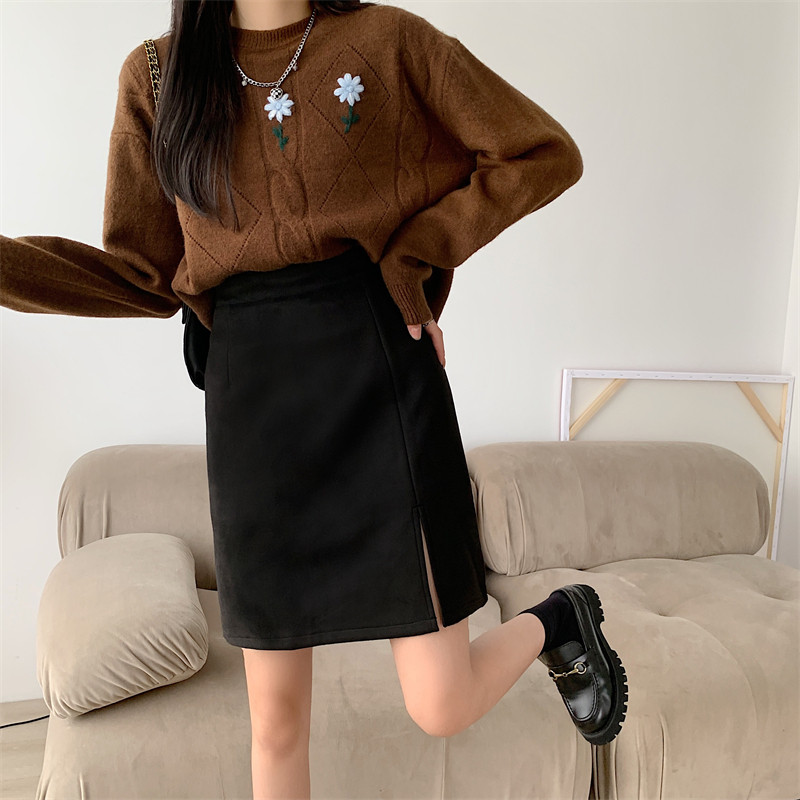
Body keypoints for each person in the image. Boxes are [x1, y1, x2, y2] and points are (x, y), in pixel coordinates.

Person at [0, 1, 628, 797]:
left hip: (380, 379)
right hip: (252, 409)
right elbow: (143, 275)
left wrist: (416, 257)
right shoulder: (157, 76)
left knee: (441, 703)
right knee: (276, 724)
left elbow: (539, 152)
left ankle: (559, 618)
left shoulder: (389, 42)